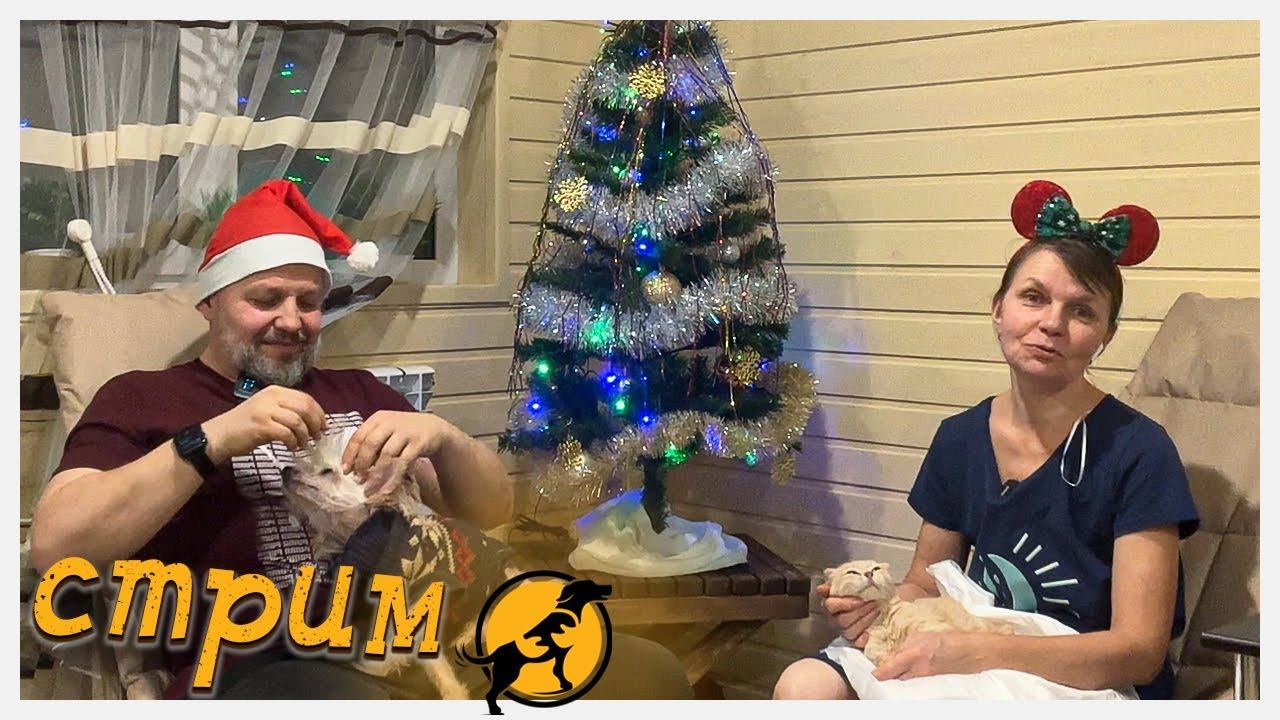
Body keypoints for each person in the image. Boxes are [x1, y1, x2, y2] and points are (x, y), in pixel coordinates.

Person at [29, 179, 693, 701]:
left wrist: (444, 438)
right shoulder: (144, 397)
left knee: (647, 671)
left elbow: (490, 511)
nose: (292, 320)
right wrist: (212, 440)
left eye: (309, 302)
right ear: (210, 303)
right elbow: (57, 548)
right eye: (265, 299)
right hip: (260, 656)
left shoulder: (362, 392)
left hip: (437, 628)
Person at [773, 180, 1200, 701]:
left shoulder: (1139, 452)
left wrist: (976, 652)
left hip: (1084, 677)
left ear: (1106, 335)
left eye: (1082, 311)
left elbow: (1138, 651)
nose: (1052, 323)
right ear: (998, 309)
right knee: (805, 686)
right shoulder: (961, 438)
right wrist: (875, 605)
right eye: (1033, 298)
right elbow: (927, 583)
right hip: (968, 646)